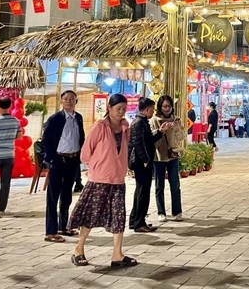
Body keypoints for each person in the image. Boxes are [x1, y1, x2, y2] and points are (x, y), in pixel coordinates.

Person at [69, 94, 137, 268]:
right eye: (117, 109)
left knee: (118, 216)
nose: (121, 112)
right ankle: (79, 249)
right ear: (109, 108)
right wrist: (96, 167)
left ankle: (117, 254)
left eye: (123, 109)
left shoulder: (125, 127)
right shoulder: (100, 127)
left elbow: (124, 150)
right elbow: (85, 153)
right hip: (99, 180)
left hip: (118, 180)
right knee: (91, 214)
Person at [43, 90, 85, 243]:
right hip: (58, 160)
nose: (68, 101)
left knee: (67, 195)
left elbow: (81, 137)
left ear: (76, 101)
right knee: (53, 196)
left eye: (72, 99)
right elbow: (46, 141)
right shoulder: (55, 119)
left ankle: (63, 226)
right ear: (61, 102)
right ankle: (50, 231)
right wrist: (51, 159)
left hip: (72, 159)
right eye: (65, 99)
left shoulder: (78, 118)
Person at [128, 98, 170, 233]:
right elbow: (138, 143)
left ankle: (136, 220)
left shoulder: (142, 122)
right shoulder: (138, 122)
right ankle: (139, 222)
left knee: (141, 191)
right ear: (146, 109)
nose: (153, 111)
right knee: (143, 192)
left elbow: (148, 139)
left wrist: (160, 132)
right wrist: (145, 159)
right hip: (141, 163)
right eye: (152, 109)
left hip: (143, 161)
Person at [150, 95, 184, 222]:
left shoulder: (176, 120)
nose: (167, 109)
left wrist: (176, 130)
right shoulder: (154, 120)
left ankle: (177, 211)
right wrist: (160, 131)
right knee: (159, 186)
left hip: (172, 156)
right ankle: (161, 211)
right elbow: (152, 139)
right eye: (165, 106)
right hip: (158, 157)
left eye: (169, 106)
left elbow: (181, 138)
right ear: (160, 107)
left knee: (175, 184)